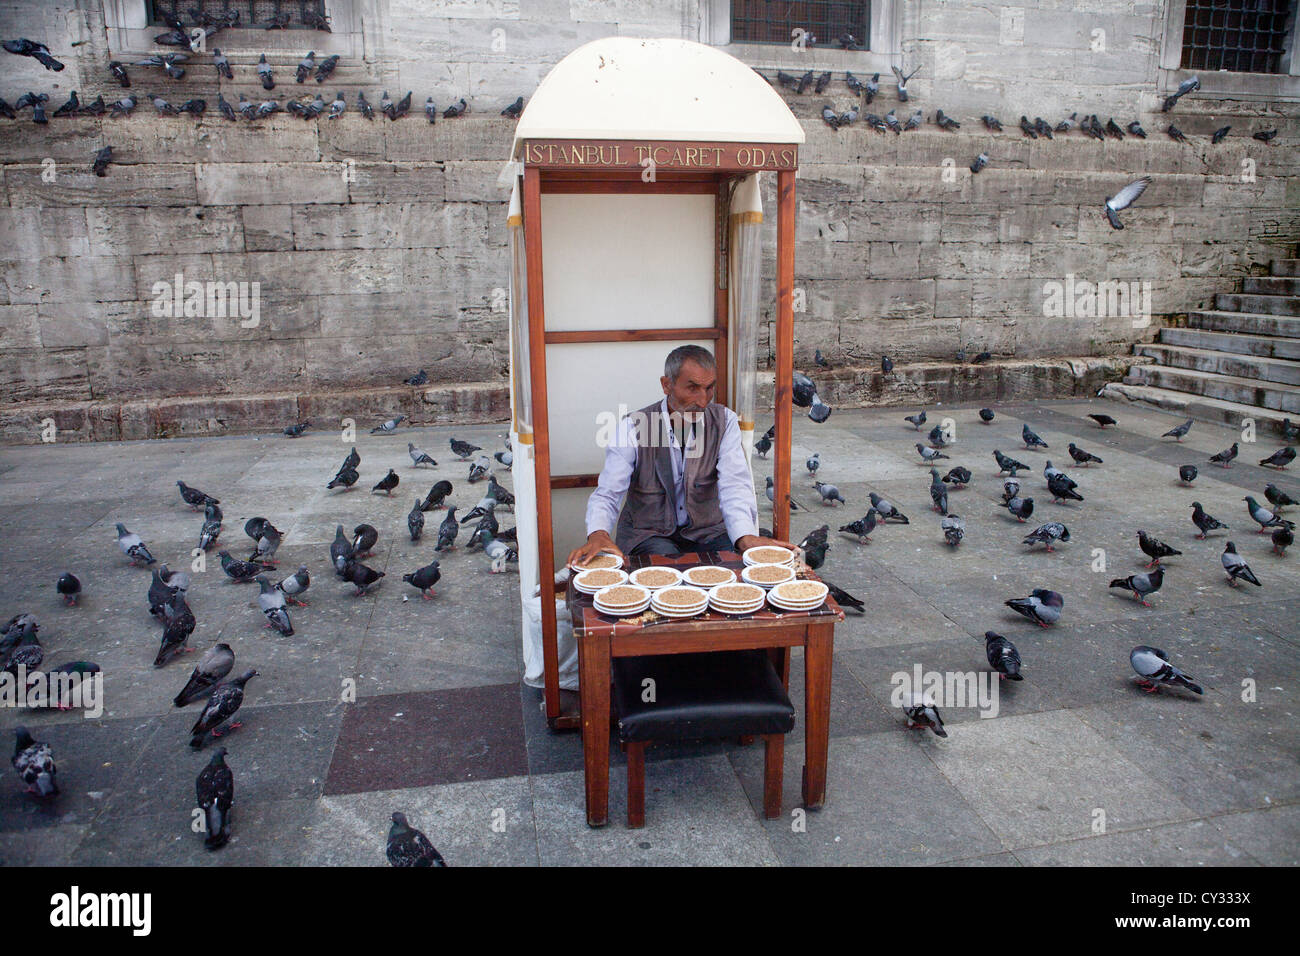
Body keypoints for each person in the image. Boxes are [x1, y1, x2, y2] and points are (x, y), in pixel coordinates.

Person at [566, 345, 795, 566]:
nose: (703, 400)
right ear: (667, 385)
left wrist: (745, 536)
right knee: (666, 574)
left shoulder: (725, 422)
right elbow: (608, 492)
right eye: (692, 388)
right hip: (649, 535)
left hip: (708, 533)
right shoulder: (632, 428)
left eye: (709, 388)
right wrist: (597, 533)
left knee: (729, 575)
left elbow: (734, 485)